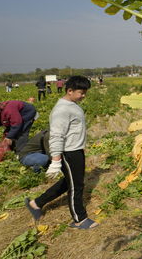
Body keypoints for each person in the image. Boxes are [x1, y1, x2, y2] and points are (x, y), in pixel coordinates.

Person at [25, 76, 98, 229]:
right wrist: (56, 160)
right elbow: (56, 136)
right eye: (81, 93)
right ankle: (80, 219)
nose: (84, 96)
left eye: (85, 93)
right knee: (76, 186)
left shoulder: (72, 104)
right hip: (68, 153)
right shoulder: (62, 110)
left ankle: (36, 203)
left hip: (76, 150)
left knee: (68, 182)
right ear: (69, 91)